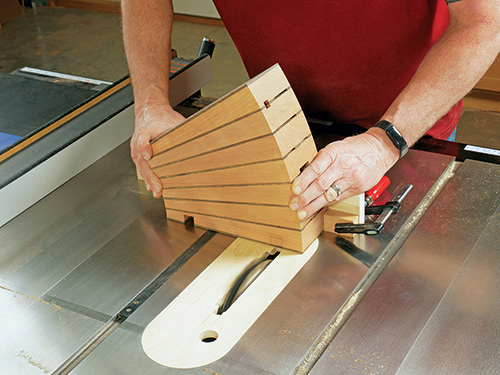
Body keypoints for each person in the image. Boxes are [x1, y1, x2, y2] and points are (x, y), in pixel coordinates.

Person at [122, 0, 500, 221]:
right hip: (284, 113)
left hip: (409, 124)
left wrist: (385, 142)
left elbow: (483, 20)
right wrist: (151, 103)